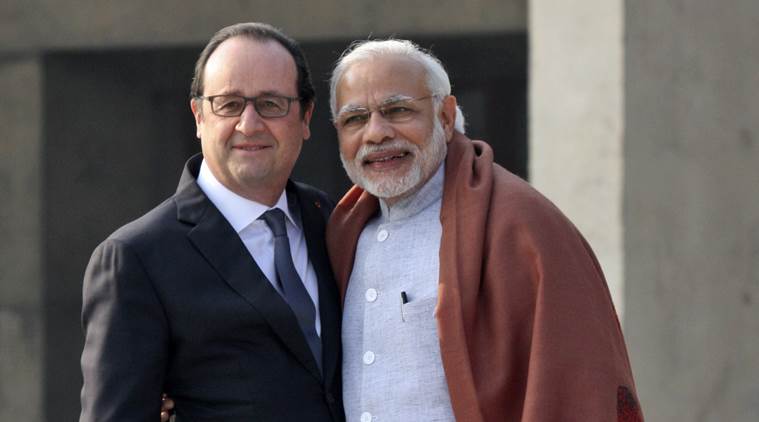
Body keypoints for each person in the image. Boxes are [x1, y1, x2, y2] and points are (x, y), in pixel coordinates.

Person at [325, 39, 644, 421]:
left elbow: (576, 384)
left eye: (397, 110)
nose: (376, 133)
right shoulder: (341, 232)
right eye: (355, 119)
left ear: (445, 116)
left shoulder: (520, 224)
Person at [80, 23, 344, 422]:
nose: (249, 124)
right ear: (199, 116)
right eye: (229, 104)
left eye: (271, 104)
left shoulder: (334, 221)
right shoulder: (136, 259)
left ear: (305, 116)